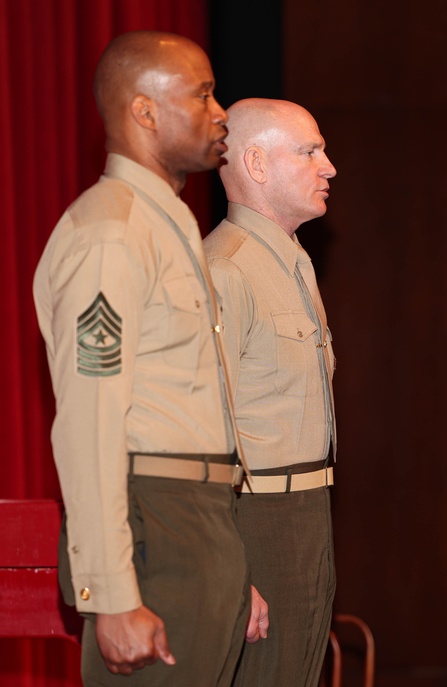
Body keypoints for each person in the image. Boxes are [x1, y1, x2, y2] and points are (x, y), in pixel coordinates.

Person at [33, 31, 268, 684]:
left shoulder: (166, 224)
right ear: (143, 111)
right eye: (201, 95)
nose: (220, 111)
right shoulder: (111, 233)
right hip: (153, 524)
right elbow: (91, 422)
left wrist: (229, 564)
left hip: (196, 523)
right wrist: (112, 594)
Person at [204, 98, 337, 687]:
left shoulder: (292, 264)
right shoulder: (226, 269)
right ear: (256, 164)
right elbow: (204, 429)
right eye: (309, 151)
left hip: (307, 509)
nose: (328, 166)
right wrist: (230, 567)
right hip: (254, 519)